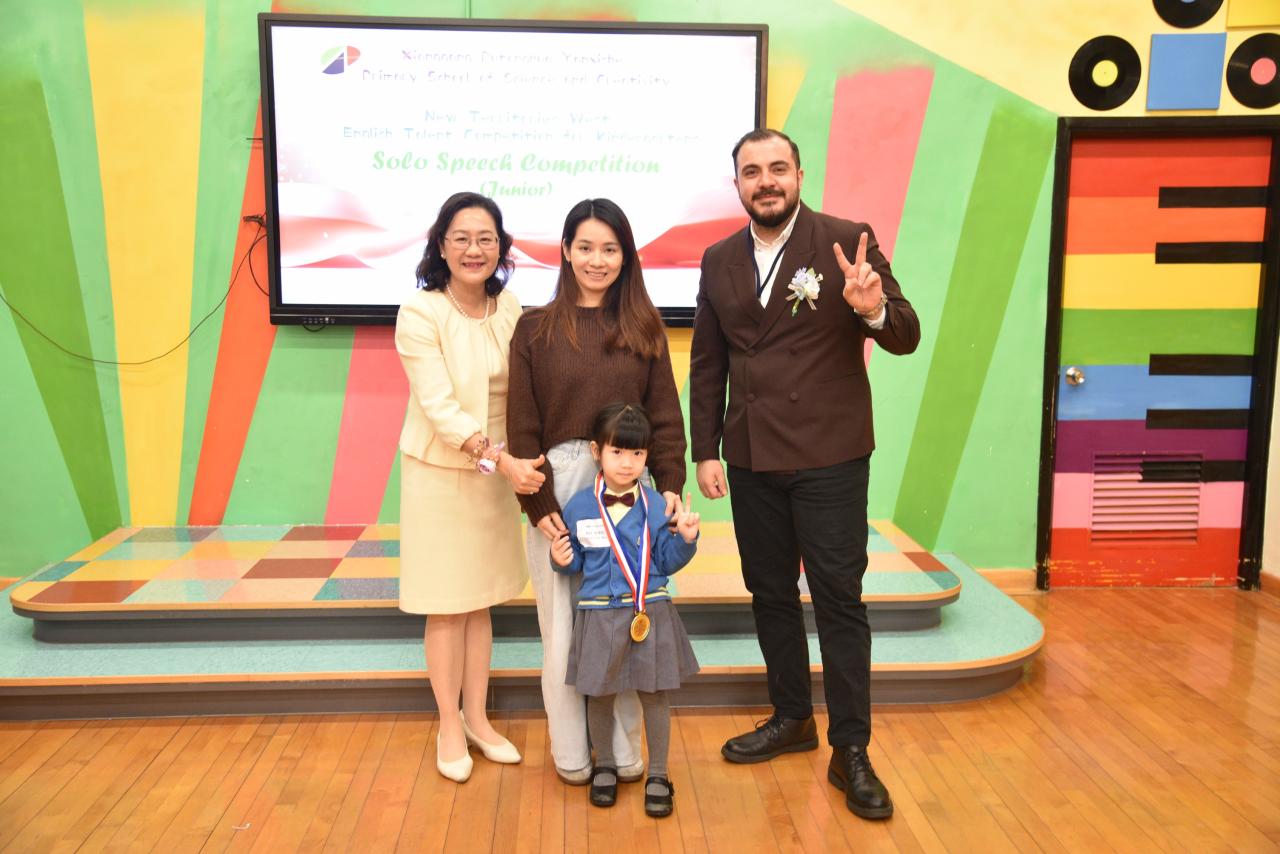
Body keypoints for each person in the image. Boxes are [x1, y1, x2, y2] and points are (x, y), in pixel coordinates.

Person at [689, 129, 920, 820]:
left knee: (839, 600)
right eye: (751, 171)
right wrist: (705, 448)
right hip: (751, 454)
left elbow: (905, 334)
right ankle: (792, 717)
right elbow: (709, 361)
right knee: (769, 592)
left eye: (777, 168)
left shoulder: (847, 241)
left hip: (831, 457)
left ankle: (852, 750)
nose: (766, 181)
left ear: (799, 174)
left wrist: (871, 308)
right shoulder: (719, 258)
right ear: (737, 183)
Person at [507, 198, 688, 785]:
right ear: (565, 251)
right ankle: (572, 754)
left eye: (610, 249)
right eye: (585, 247)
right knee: (563, 630)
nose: (597, 260)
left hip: (630, 487)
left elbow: (665, 416)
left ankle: (624, 754)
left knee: (628, 619)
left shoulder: (643, 326)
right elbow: (522, 426)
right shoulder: (534, 328)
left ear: (625, 256)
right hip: (559, 490)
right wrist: (538, 507)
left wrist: (670, 486)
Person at [396, 191, 548, 783]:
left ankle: (479, 719)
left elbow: (528, 389)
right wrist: (499, 461)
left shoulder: (509, 307)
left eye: (486, 238)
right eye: (461, 238)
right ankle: (449, 726)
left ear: (501, 248)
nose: (473, 249)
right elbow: (438, 406)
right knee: (446, 605)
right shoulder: (421, 312)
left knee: (480, 600)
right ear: (441, 245)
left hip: (494, 477)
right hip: (442, 474)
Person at [550, 402, 700, 817]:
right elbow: (574, 562)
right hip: (598, 615)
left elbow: (665, 560)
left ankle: (658, 774)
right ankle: (605, 765)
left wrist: (686, 540)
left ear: (647, 456)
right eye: (617, 451)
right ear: (596, 451)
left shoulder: (655, 505)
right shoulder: (579, 506)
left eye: (637, 453)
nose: (628, 462)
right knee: (599, 694)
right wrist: (559, 560)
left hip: (650, 612)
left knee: (655, 694)